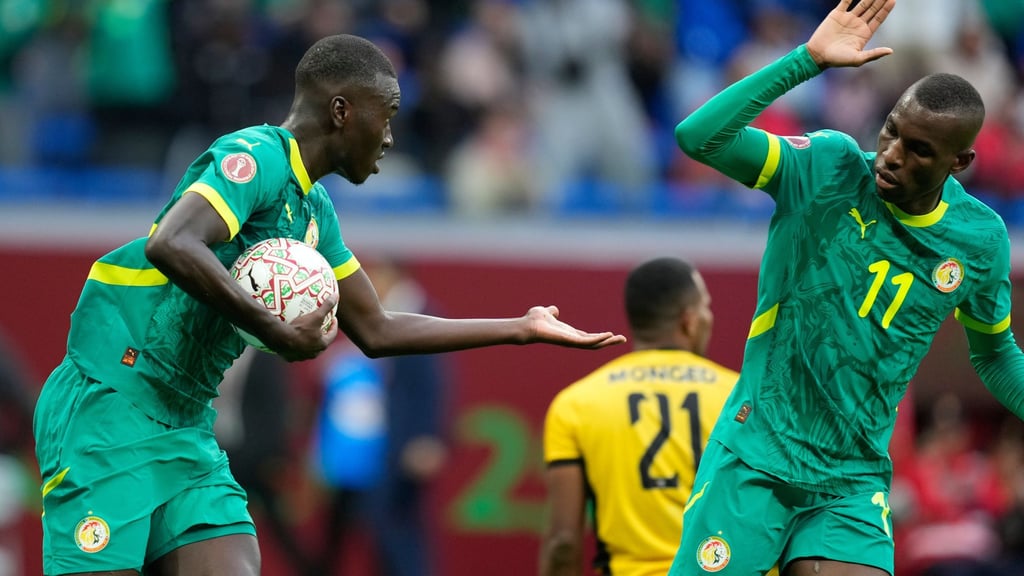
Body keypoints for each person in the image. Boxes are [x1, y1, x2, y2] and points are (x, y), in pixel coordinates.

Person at [32, 34, 625, 576]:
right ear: (342, 111)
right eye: (387, 115)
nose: (391, 136)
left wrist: (520, 327)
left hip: (185, 423)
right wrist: (273, 327)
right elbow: (173, 242)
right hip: (112, 403)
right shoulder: (255, 156)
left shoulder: (316, 216)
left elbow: (377, 327)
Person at [667, 1, 1024, 575]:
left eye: (919, 151)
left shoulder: (979, 240)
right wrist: (806, 61)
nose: (891, 156)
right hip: (756, 457)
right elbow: (698, 136)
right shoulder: (827, 167)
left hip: (850, 483)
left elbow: (996, 354)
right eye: (891, 132)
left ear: (961, 162)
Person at [540, 257, 746, 576]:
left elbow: (564, 543)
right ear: (690, 321)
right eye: (706, 307)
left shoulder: (576, 403)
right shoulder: (740, 398)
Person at [310, 258, 450, 576]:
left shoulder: (421, 313)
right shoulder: (391, 311)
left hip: (405, 443)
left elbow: (434, 384)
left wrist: (427, 436)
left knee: (398, 531)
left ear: (396, 275)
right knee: (381, 528)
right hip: (381, 446)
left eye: (377, 275)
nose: (371, 282)